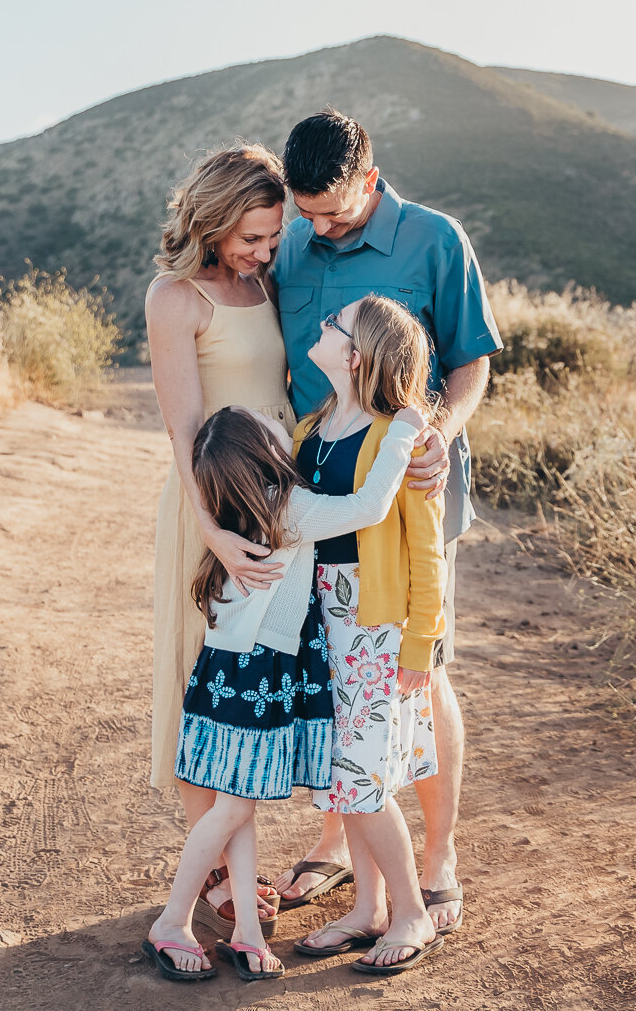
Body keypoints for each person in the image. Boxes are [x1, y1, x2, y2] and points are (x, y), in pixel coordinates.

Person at [267, 110, 501, 937]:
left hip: (407, 498)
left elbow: (470, 360)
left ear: (370, 178)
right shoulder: (289, 245)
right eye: (305, 213)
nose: (316, 228)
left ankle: (435, 858)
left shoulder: (435, 240)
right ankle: (342, 840)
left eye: (332, 211)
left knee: (417, 670)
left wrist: (441, 427)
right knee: (338, 680)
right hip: (322, 498)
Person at [143, 399, 428, 981]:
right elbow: (369, 508)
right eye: (275, 427)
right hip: (258, 681)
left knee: (235, 809)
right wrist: (402, 433)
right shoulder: (287, 508)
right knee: (229, 813)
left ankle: (246, 931)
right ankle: (172, 920)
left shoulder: (233, 515)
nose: (284, 423)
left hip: (226, 678)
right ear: (267, 456)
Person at [145, 145, 297, 939]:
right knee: (204, 680)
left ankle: (234, 860)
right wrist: (212, 531)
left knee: (259, 681)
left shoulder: (267, 282)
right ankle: (216, 873)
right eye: (251, 237)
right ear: (210, 219)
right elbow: (182, 431)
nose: (264, 252)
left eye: (272, 237)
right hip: (213, 511)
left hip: (277, 506)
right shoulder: (176, 299)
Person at [290, 296, 449, 973]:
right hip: (323, 630)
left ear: (355, 356)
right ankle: (367, 908)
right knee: (341, 775)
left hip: (376, 633)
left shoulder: (399, 437)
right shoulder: (311, 430)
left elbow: (428, 549)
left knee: (364, 779)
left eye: (335, 324)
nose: (321, 325)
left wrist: (422, 643)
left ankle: (410, 910)